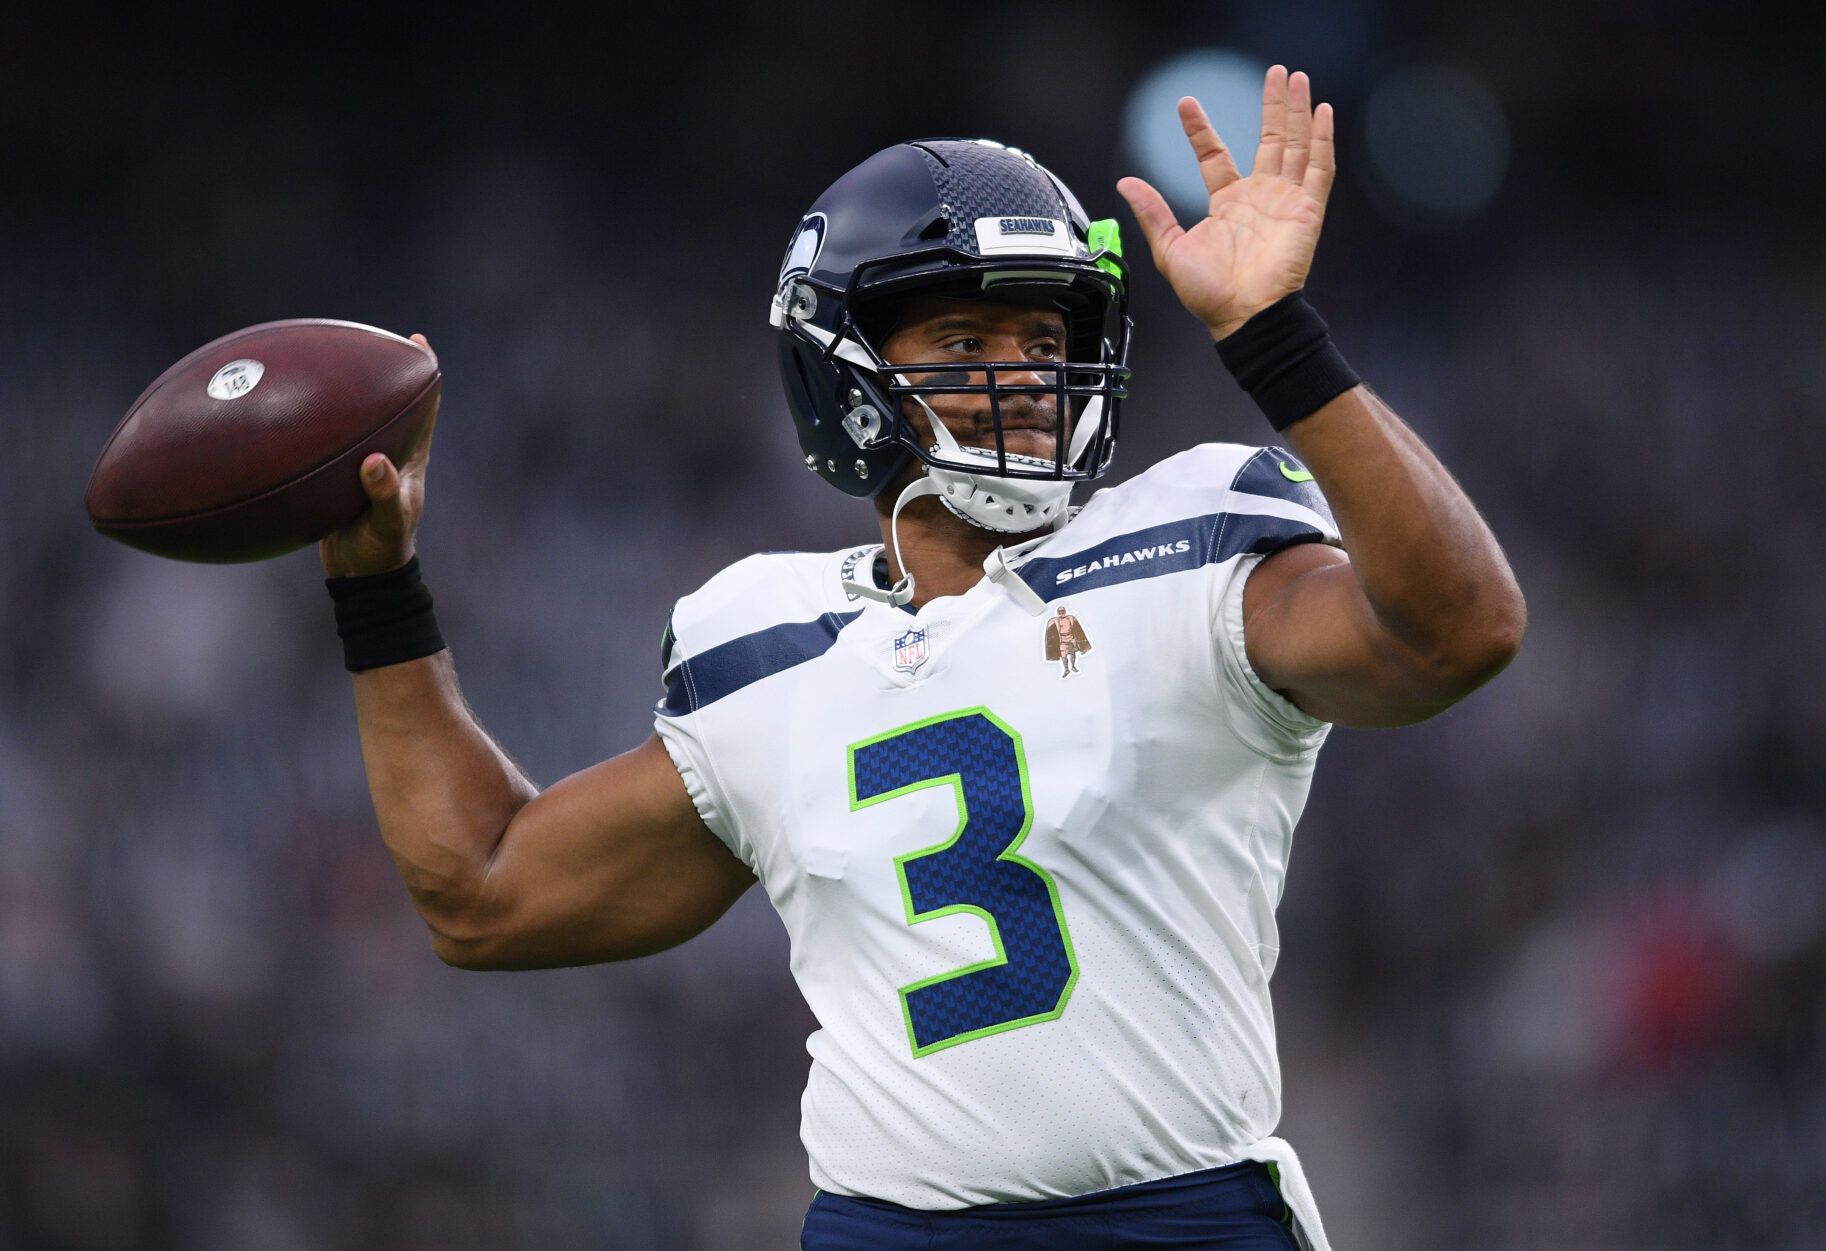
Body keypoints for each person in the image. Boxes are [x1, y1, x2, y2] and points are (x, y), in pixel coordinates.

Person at [317, 67, 1525, 1250]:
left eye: (1045, 336)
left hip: (1179, 1222)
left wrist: (1279, 343)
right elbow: (482, 893)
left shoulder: (1194, 541)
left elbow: (1457, 630)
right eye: (963, 336)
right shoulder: (763, 640)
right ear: (841, 368)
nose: (1027, 374)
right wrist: (377, 586)